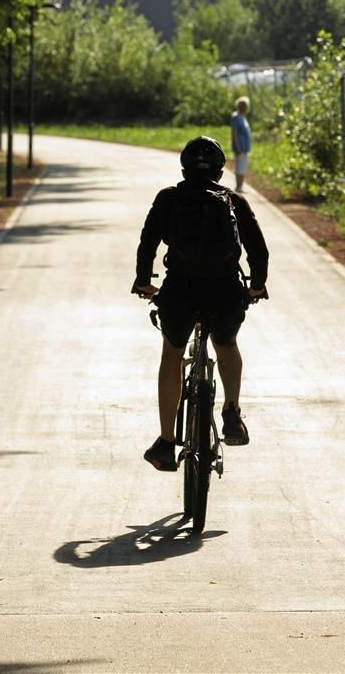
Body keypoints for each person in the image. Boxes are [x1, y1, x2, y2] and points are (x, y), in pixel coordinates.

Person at [133, 136, 269, 472]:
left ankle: (166, 443)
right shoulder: (234, 201)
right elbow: (258, 249)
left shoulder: (169, 198)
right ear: (221, 172)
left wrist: (143, 279)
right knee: (226, 344)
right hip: (224, 291)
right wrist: (256, 286)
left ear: (183, 168)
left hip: (180, 290)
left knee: (173, 354)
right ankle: (232, 414)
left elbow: (148, 241)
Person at [229, 96, 252, 193]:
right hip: (240, 147)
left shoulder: (243, 116)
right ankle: (238, 186)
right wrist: (237, 147)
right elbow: (234, 133)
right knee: (240, 166)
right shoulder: (236, 116)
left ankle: (240, 186)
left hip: (245, 147)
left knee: (243, 167)